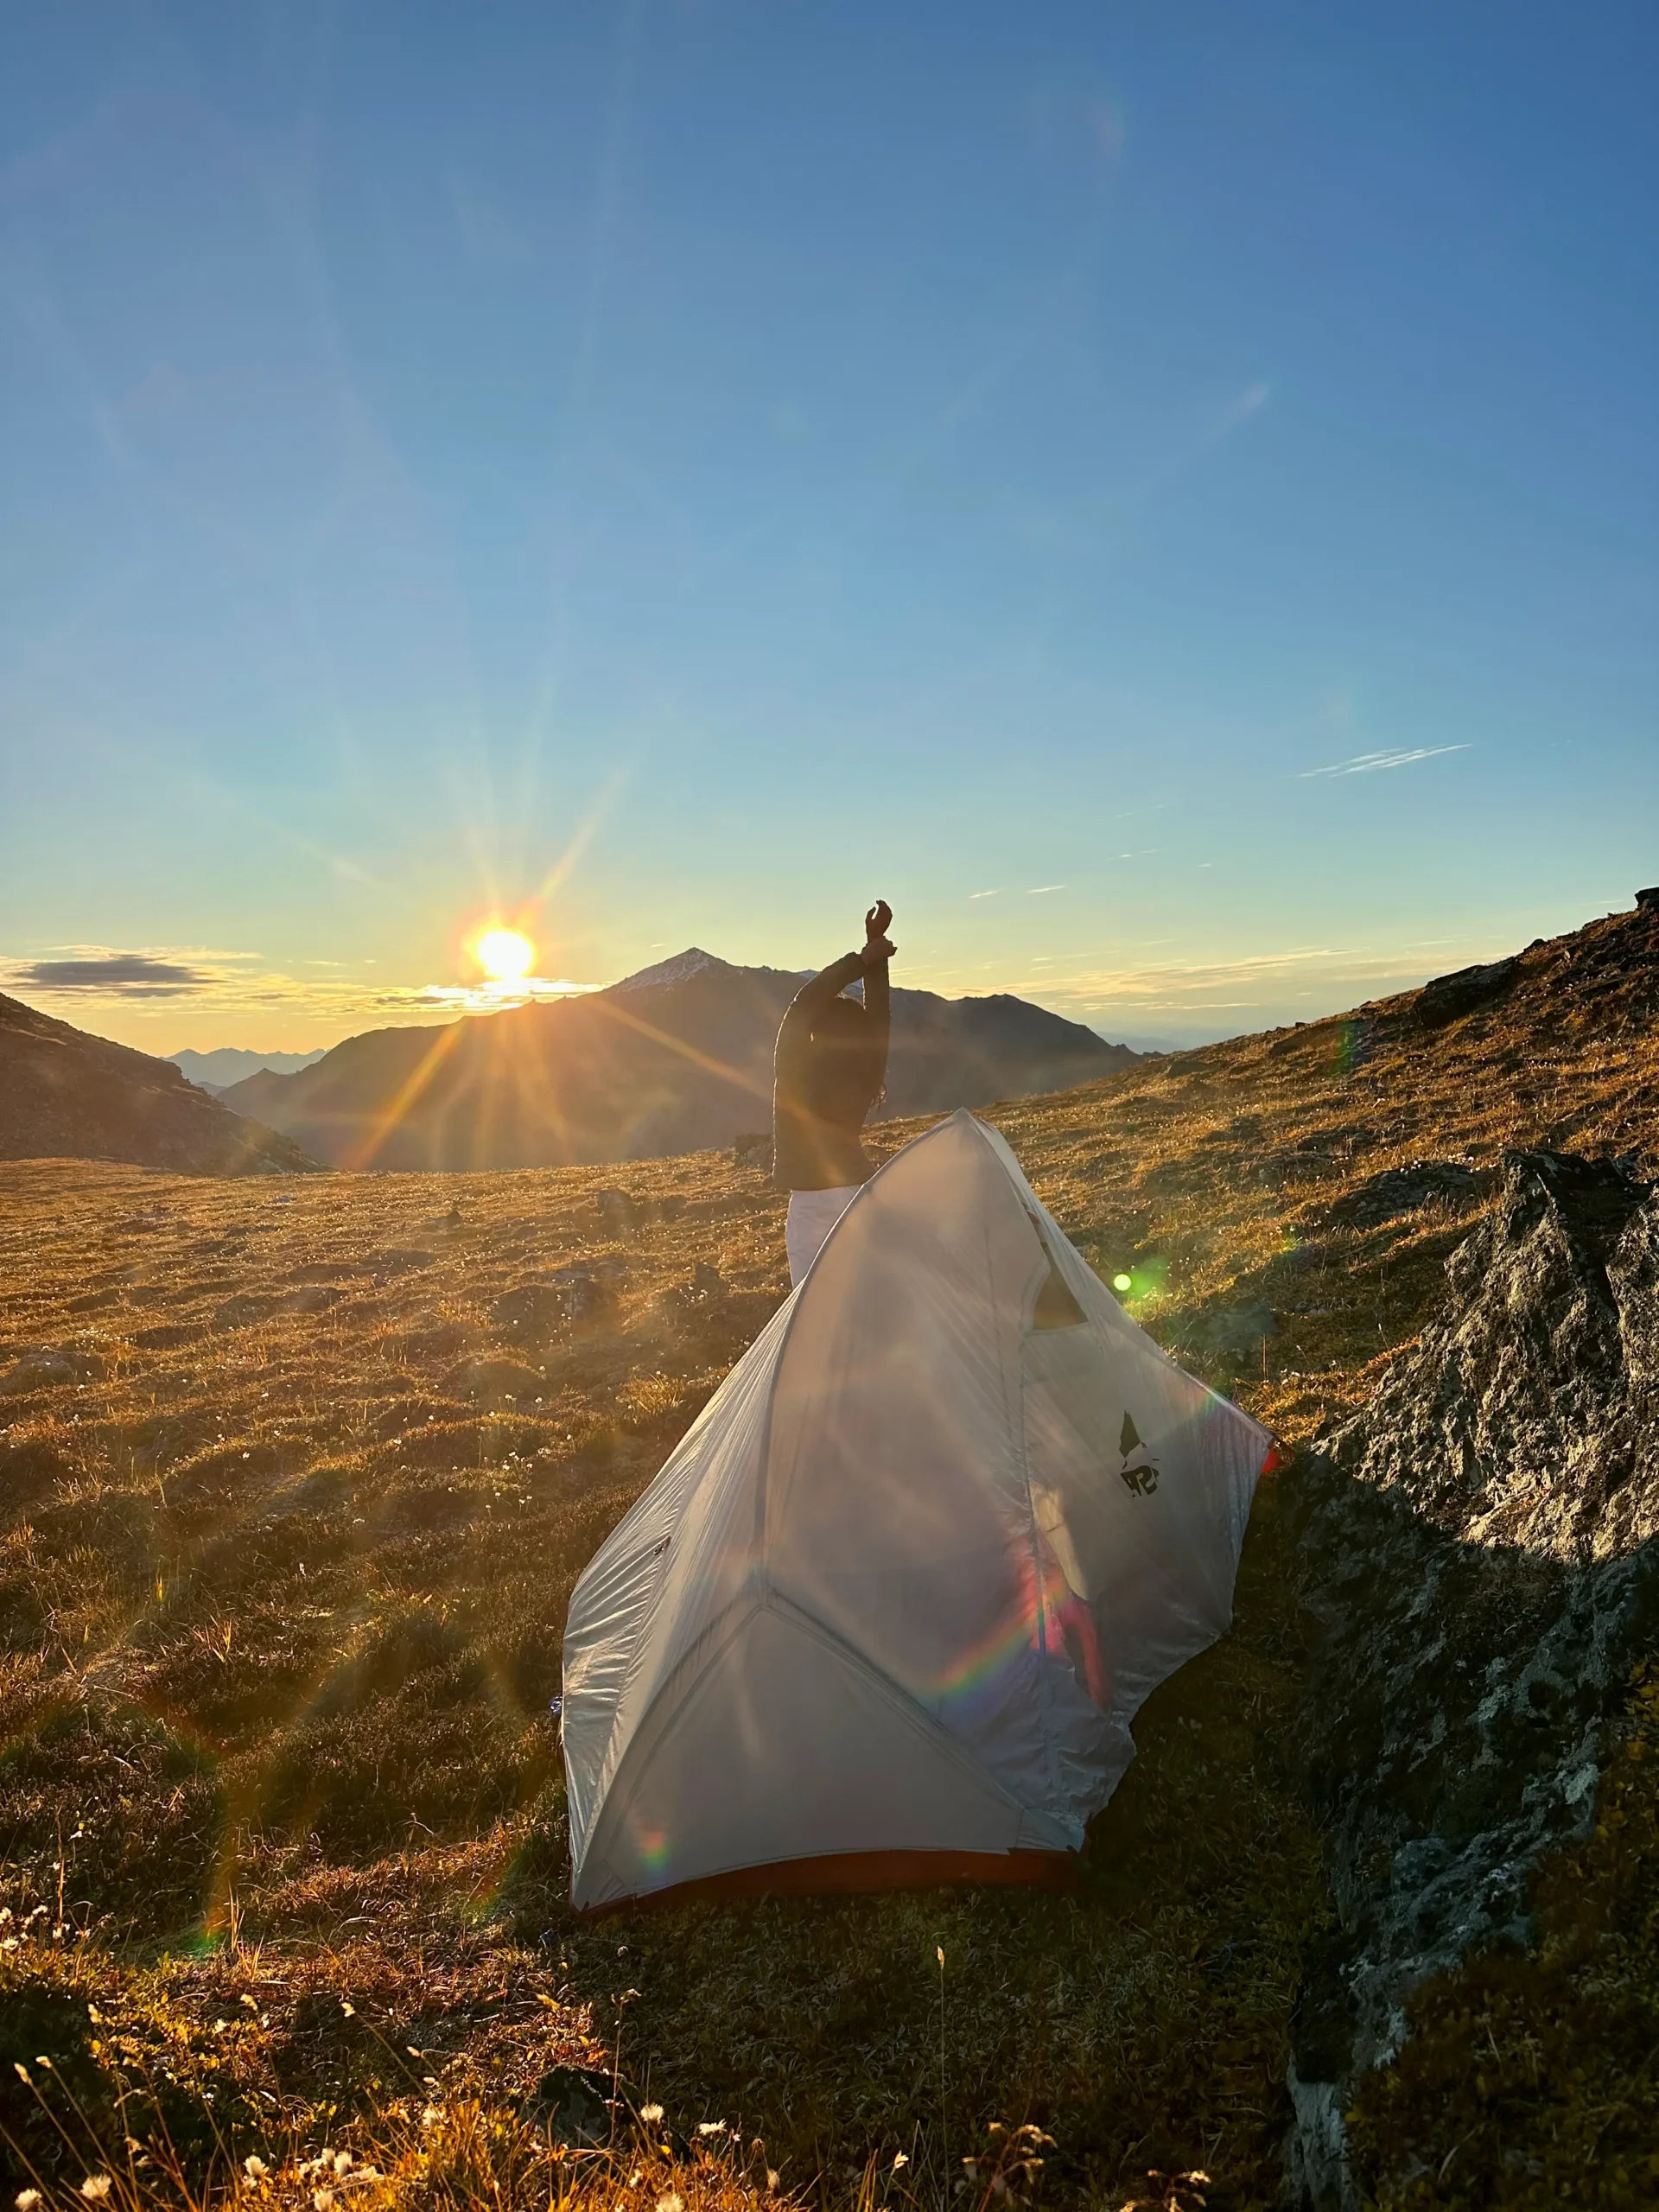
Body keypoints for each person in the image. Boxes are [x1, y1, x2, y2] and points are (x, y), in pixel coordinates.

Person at [772, 900, 895, 1286]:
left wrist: (862, 959)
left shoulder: (795, 1068)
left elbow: (802, 1004)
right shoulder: (866, 1068)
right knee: (865, 1303)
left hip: (812, 1203)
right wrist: (876, 953)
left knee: (812, 1318)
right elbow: (879, 1017)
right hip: (860, 1193)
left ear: (816, 1033)